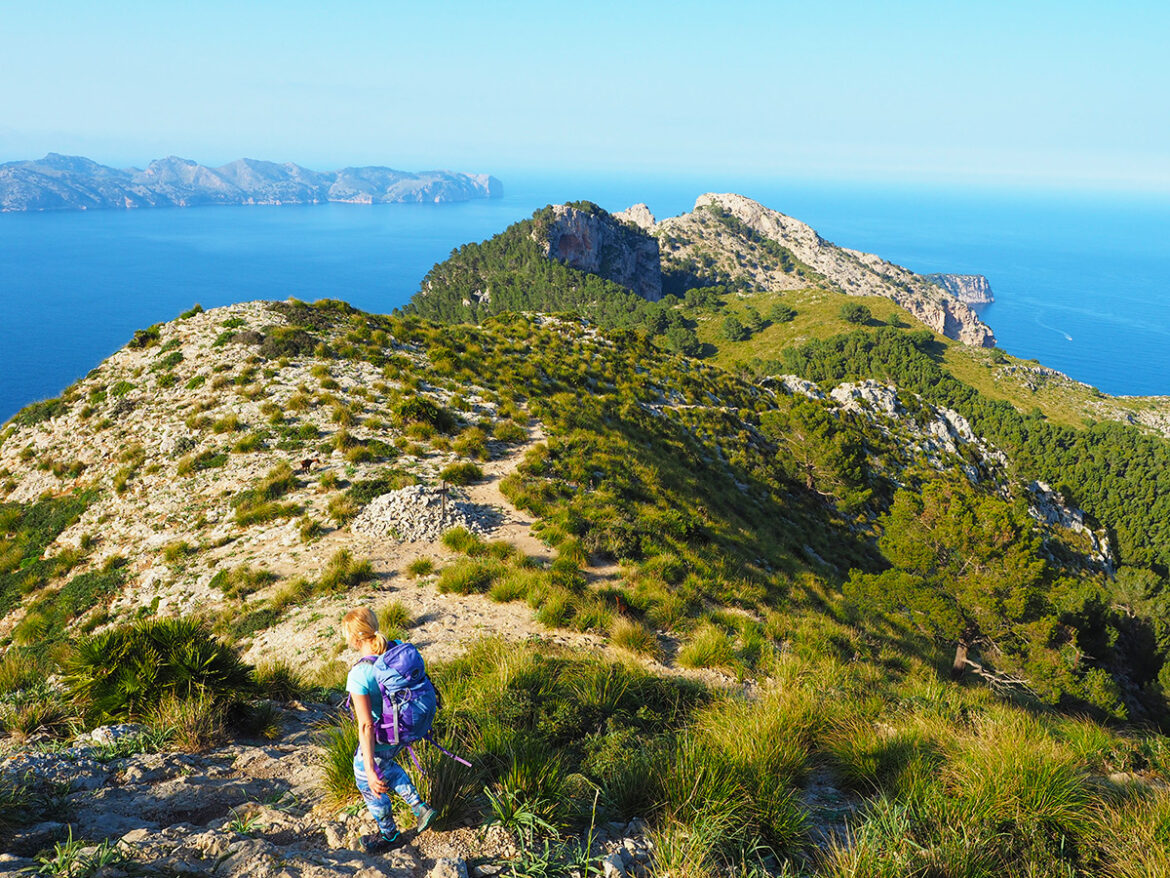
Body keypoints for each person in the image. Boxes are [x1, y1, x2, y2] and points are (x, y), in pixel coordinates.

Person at [342, 606, 436, 853]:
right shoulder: (395, 648)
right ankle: (419, 806)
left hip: (385, 733)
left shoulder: (359, 673)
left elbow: (365, 725)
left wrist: (371, 770)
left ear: (353, 639)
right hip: (405, 727)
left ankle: (389, 835)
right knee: (386, 766)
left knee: (365, 774)